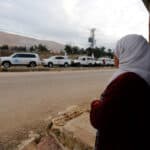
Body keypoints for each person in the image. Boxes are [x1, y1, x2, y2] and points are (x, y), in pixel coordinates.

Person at [90, 34, 150, 150]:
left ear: (129, 54)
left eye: (118, 52)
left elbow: (100, 119)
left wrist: (95, 104)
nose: (115, 58)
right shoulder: (144, 76)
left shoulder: (125, 81)